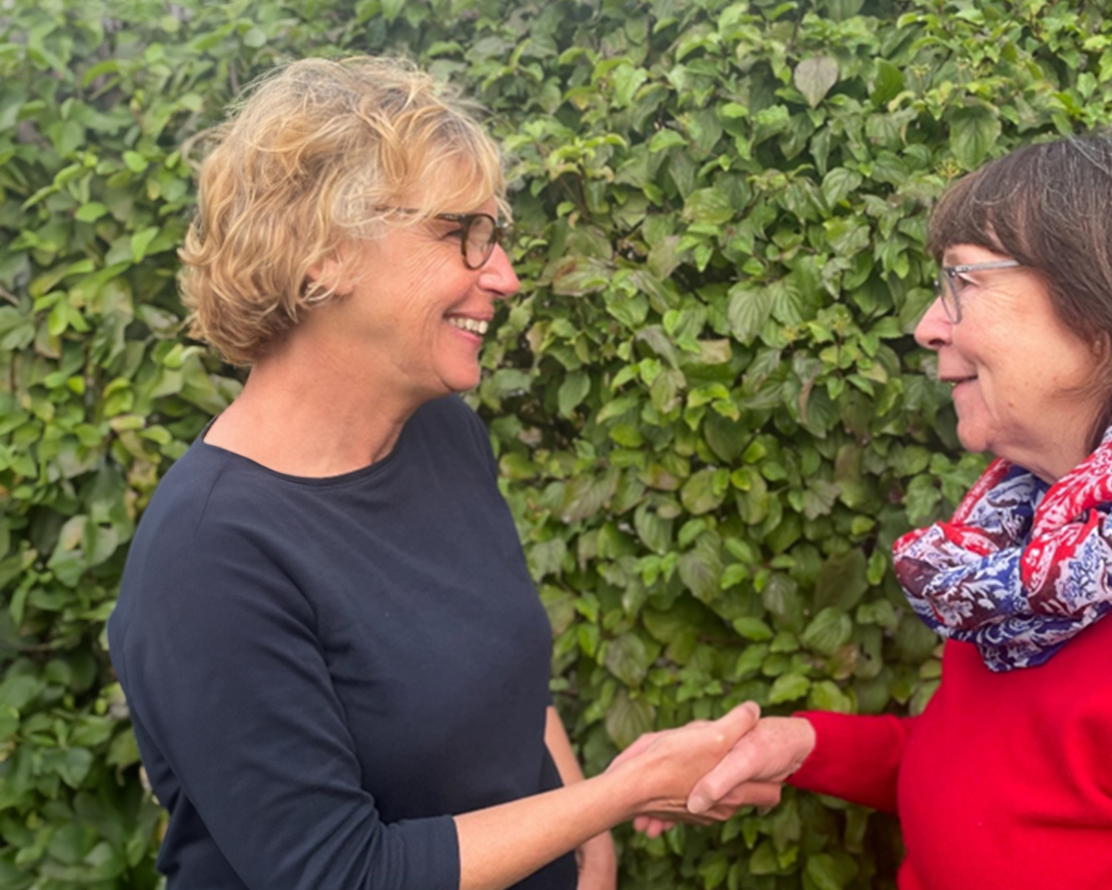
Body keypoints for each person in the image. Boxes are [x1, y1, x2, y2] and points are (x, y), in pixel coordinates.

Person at [107, 57, 769, 890]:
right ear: (323, 256)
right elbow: (341, 873)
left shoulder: (442, 435)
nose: (504, 275)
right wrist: (616, 799)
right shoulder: (210, 558)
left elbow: (511, 685)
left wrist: (586, 851)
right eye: (464, 235)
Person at [639, 135, 1112, 887]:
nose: (926, 325)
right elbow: (1003, 787)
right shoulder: (1030, 548)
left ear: (1107, 312)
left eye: (961, 282)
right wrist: (802, 745)